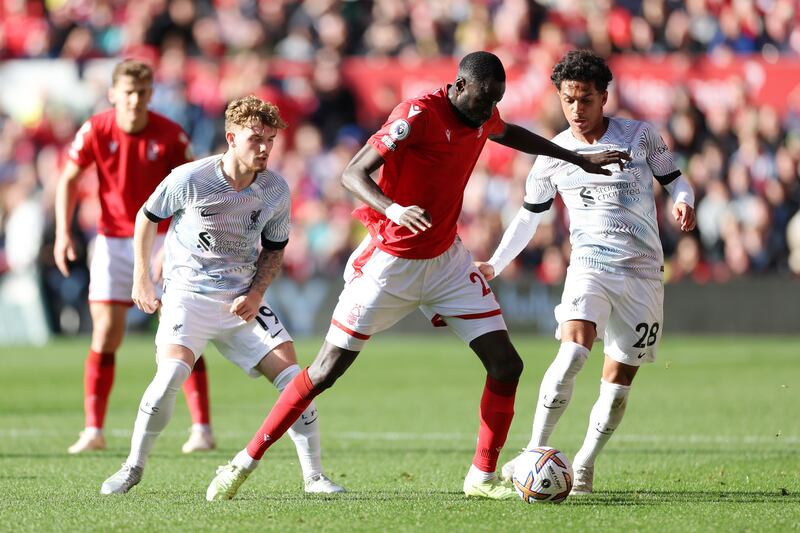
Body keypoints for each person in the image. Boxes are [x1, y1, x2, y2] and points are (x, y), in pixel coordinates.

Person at [205, 51, 629, 501]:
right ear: (460, 87)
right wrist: (392, 208)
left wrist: (575, 158)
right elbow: (353, 172)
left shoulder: (482, 113)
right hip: (391, 262)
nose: (489, 114)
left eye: (495, 104)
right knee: (326, 371)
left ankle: (481, 477)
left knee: (508, 366)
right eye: (484, 102)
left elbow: (511, 135)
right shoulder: (417, 114)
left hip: (446, 261)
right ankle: (241, 463)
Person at [99, 95, 345, 496]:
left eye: (270, 140)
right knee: (170, 375)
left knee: (296, 380)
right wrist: (141, 279)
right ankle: (132, 467)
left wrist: (256, 293)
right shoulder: (190, 178)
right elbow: (147, 217)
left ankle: (314, 476)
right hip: (188, 296)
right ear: (231, 138)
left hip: (241, 301)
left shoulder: (275, 190)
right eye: (255, 139)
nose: (264, 148)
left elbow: (275, 248)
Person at [477, 50, 696, 494]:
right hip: (589, 266)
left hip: (643, 275)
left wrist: (683, 199)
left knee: (617, 385)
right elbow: (527, 218)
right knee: (573, 351)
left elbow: (676, 178)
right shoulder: (553, 156)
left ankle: (585, 462)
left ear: (604, 97)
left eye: (586, 100)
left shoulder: (639, 136)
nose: (577, 110)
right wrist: (494, 264)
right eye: (568, 100)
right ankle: (533, 453)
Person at [54, 59, 215, 455]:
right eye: (127, 92)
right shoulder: (96, 129)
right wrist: (62, 233)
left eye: (142, 93)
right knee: (106, 333)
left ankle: (202, 428)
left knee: (182, 331)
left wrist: (178, 244)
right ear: (113, 95)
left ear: (150, 95)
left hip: (161, 239)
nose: (134, 100)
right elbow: (69, 180)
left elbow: (192, 192)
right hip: (112, 241)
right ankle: (94, 429)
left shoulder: (170, 136)